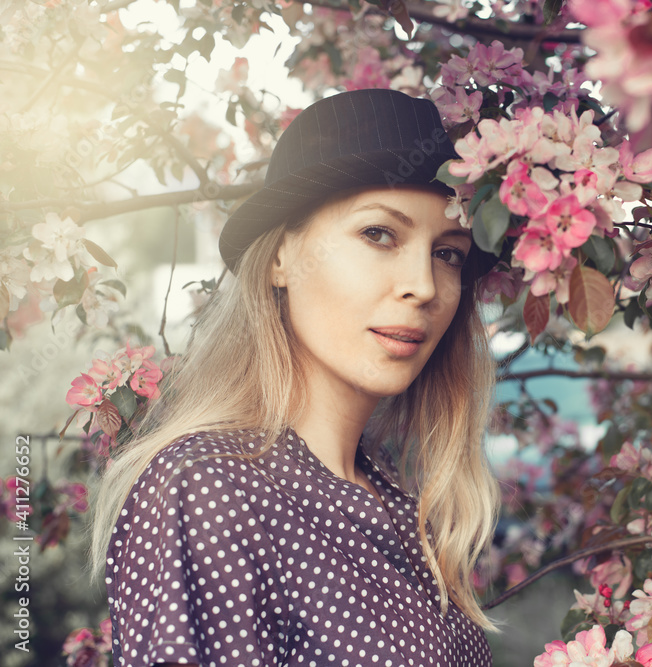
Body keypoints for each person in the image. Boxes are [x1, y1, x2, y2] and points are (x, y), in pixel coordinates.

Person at [90, 89, 500, 667]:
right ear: (282, 256)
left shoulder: (402, 507)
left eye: (449, 253)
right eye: (379, 234)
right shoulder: (212, 490)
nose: (424, 286)